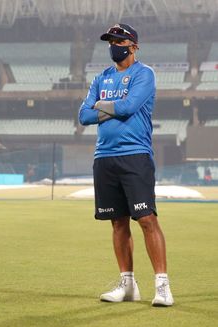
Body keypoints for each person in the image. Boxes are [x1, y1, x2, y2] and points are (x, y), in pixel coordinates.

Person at [78, 23, 173, 307]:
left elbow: (129, 107)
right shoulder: (101, 78)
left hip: (135, 155)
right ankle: (128, 284)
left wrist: (100, 107)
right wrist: (111, 108)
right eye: (109, 41)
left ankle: (163, 286)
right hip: (104, 157)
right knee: (117, 223)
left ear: (132, 45)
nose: (112, 46)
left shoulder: (144, 74)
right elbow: (83, 116)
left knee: (146, 219)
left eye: (117, 40)